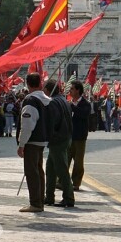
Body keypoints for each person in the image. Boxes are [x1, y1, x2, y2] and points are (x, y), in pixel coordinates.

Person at [18, 73, 50, 213]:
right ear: (40, 83)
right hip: (42, 139)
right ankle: (40, 200)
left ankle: (35, 203)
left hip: (32, 140)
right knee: (39, 171)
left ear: (28, 84)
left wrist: (21, 144)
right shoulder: (47, 100)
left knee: (31, 172)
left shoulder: (31, 100)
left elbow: (27, 125)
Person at [43, 80, 75, 208]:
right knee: (50, 168)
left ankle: (69, 197)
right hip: (65, 137)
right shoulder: (63, 100)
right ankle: (49, 196)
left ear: (48, 89)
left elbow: (52, 122)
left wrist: (46, 136)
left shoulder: (53, 102)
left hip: (58, 139)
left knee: (61, 169)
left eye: (44, 88)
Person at [68, 82, 91, 192]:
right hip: (69, 136)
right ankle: (61, 181)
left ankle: (76, 182)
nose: (70, 91)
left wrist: (72, 107)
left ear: (78, 90)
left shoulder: (85, 103)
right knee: (65, 159)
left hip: (80, 137)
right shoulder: (69, 103)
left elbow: (83, 114)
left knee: (78, 161)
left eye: (72, 89)